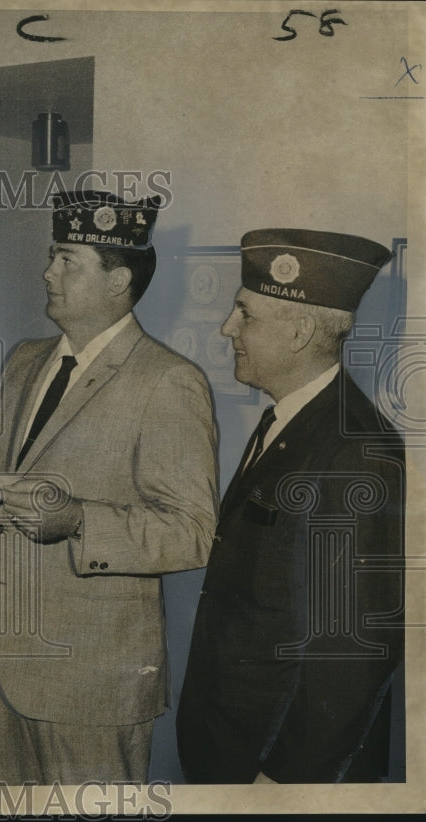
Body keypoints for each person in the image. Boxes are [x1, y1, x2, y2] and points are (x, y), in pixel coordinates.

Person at [0, 190, 219, 784]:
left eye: (67, 260)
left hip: (94, 684)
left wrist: (77, 521)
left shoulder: (168, 380)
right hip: (0, 666)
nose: (48, 272)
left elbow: (194, 532)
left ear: (118, 280)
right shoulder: (24, 361)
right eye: (51, 256)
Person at [177, 228, 405, 783]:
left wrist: (285, 779)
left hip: (280, 766)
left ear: (301, 331)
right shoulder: (291, 419)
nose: (228, 328)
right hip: (231, 737)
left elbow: (353, 651)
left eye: (245, 315)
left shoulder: (355, 450)